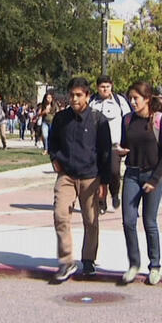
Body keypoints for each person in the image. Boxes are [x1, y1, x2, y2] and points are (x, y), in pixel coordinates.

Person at [48, 78, 112, 282]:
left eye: (78, 95)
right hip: (66, 176)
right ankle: (66, 261)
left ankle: (88, 260)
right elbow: (52, 142)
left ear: (87, 96)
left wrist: (104, 184)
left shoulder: (98, 120)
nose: (74, 99)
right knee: (60, 215)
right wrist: (55, 159)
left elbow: (106, 153)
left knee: (91, 221)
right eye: (71, 95)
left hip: (91, 177)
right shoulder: (61, 118)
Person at [116, 82, 162, 286]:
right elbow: (125, 144)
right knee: (128, 221)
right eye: (130, 98)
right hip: (131, 174)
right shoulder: (127, 120)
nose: (132, 102)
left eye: (136, 98)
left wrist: (154, 179)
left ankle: (154, 266)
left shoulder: (159, 120)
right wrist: (121, 151)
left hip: (153, 174)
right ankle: (133, 263)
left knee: (149, 222)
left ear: (147, 99)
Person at [89, 75, 131, 214]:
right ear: (97, 88)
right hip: (96, 146)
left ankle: (115, 193)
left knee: (114, 172)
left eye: (108, 86)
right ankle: (101, 202)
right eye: (102, 87)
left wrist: (126, 142)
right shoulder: (92, 102)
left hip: (114, 145)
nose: (105, 89)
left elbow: (128, 120)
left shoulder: (120, 101)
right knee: (98, 175)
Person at [38, 91, 57, 155]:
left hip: (52, 122)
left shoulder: (54, 105)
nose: (48, 99)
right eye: (47, 98)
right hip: (45, 122)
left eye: (50, 98)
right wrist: (43, 112)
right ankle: (45, 149)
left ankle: (51, 150)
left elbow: (58, 113)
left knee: (51, 136)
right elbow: (38, 114)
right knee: (45, 135)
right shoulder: (42, 105)